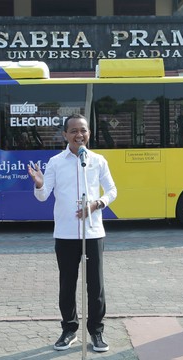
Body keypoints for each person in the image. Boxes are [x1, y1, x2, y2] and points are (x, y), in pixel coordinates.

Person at [28, 114, 117, 352]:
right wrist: (38, 184)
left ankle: (96, 332)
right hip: (66, 234)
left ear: (89, 133)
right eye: (74, 131)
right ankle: (69, 330)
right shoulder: (56, 162)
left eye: (84, 130)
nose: (80, 135)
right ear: (65, 135)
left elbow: (112, 190)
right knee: (67, 284)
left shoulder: (97, 160)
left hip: (93, 232)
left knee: (95, 285)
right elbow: (43, 195)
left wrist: (97, 204)